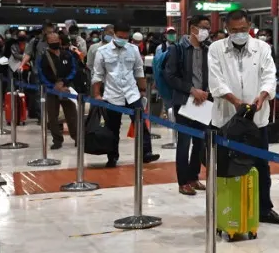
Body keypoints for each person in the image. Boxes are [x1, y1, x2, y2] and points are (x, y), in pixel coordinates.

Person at [208, 7, 279, 224]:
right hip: (226, 119)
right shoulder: (216, 48)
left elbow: (269, 75)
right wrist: (235, 101)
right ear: (226, 28)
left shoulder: (262, 48)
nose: (239, 33)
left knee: (261, 165)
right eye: (234, 30)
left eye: (243, 29)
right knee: (225, 165)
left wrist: (263, 96)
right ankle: (225, 209)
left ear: (249, 26)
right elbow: (216, 79)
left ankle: (264, 209)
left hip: (256, 121)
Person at [91, 23, 160, 169]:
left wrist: (142, 90)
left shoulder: (133, 49)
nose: (123, 39)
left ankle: (146, 153)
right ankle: (112, 157)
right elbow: (98, 75)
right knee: (112, 128)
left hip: (132, 94)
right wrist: (97, 95)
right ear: (114, 34)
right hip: (112, 95)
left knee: (141, 124)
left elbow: (139, 70)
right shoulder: (102, 51)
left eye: (126, 37)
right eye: (120, 37)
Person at [164, 14, 211, 195]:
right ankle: (183, 181)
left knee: (200, 142)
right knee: (184, 142)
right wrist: (191, 90)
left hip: (204, 101)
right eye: (204, 27)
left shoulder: (208, 49)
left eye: (208, 28)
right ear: (193, 28)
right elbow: (170, 76)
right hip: (184, 101)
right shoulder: (178, 49)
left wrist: (206, 92)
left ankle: (193, 177)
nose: (206, 31)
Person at [37, 29, 79, 149]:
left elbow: (74, 69)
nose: (54, 42)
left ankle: (77, 137)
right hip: (51, 90)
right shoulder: (43, 57)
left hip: (66, 88)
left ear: (59, 41)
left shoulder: (67, 54)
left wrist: (64, 82)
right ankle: (57, 140)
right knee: (52, 116)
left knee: (72, 114)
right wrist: (53, 86)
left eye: (56, 40)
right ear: (47, 42)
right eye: (52, 41)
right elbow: (40, 74)